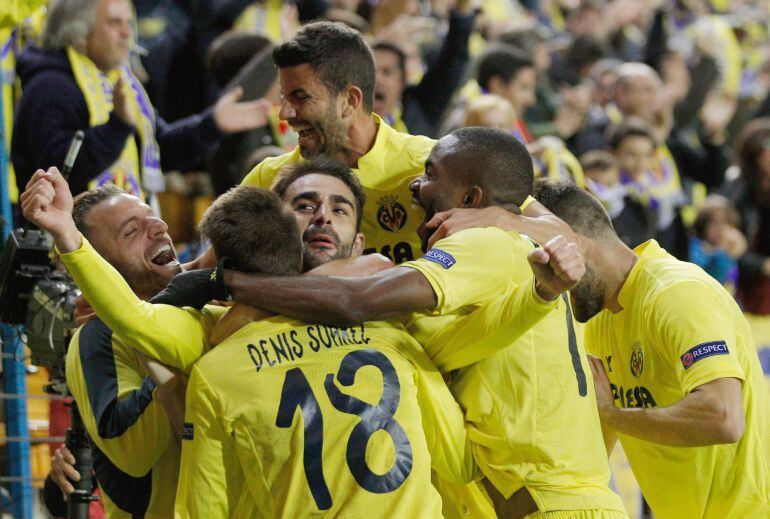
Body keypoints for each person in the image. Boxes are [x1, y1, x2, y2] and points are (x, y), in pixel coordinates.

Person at [168, 127, 629, 518]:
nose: (414, 186)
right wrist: (538, 297)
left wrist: (230, 283)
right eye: (304, 207)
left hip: (546, 503)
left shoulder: (482, 246)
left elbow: (357, 300)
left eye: (430, 176)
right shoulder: (406, 331)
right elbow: (461, 356)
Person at [22, 166, 478, 517]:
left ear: (357, 242)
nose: (158, 228)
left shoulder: (218, 330)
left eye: (151, 217)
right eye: (131, 230)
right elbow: (136, 451)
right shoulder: (143, 330)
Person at [534, 180, 770, 519]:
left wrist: (611, 414)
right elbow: (595, 454)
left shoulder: (676, 293)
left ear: (574, 246)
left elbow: (723, 417)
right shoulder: (601, 321)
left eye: (544, 266)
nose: (547, 285)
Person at [11, 0, 270, 204]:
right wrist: (117, 126)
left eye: (129, 22)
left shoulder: (123, 82)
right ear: (79, 32)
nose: (127, 32)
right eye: (114, 23)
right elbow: (58, 176)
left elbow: (162, 150)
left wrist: (213, 123)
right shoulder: (50, 88)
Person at [233, 20, 435, 264]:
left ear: (350, 100)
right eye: (284, 98)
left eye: (300, 97)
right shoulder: (268, 178)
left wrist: (494, 215)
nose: (285, 114)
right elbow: (216, 271)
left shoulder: (429, 166)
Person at [370, 0, 476, 138]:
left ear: (402, 80)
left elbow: (454, 56)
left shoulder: (421, 107)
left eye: (387, 72)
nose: (378, 78)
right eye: (372, 70)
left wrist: (462, 8)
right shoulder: (347, 116)